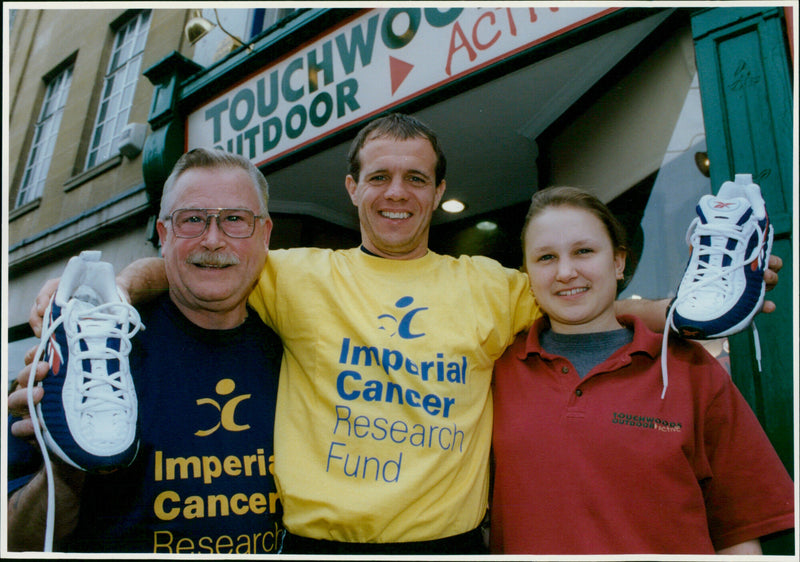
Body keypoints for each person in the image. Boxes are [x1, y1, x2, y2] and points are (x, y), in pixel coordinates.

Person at [27, 114, 782, 554]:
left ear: (439, 192)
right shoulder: (292, 272)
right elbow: (200, 258)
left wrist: (689, 312)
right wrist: (102, 291)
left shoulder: (492, 286)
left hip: (448, 548)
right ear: (352, 187)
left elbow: (582, 297)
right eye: (379, 176)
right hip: (313, 547)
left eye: (416, 178)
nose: (397, 192)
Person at [490, 186, 794, 554]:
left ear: (618, 262)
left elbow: (739, 532)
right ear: (526, 273)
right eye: (546, 257)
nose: (566, 272)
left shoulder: (689, 368)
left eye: (584, 251)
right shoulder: (496, 373)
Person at [7, 149, 283, 554]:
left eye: (235, 219)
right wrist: (65, 461)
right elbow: (17, 538)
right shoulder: (90, 354)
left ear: (265, 234)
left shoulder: (298, 336)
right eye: (192, 219)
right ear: (164, 233)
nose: (212, 238)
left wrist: (124, 286)